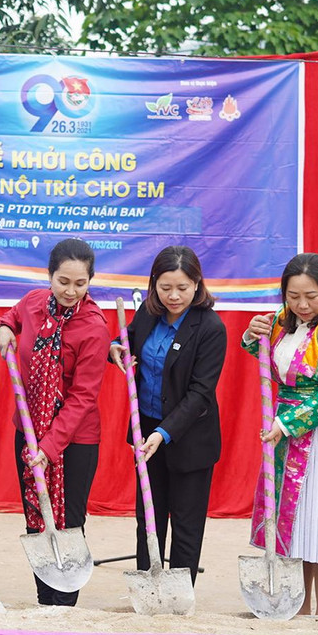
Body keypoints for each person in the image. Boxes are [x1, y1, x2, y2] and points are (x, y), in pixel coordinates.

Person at [242, 252, 318, 615]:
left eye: (311, 296)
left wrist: (284, 425)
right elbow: (269, 357)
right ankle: (298, 610)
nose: (302, 304)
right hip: (287, 432)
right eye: (293, 296)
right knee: (298, 529)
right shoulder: (285, 320)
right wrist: (254, 334)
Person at [0, 237, 108, 606]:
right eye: (63, 282)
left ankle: (65, 605)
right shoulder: (33, 303)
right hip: (28, 430)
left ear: (90, 281)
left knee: (68, 523)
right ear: (50, 276)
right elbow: (11, 316)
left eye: (80, 283)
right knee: (35, 517)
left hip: (75, 442)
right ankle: (45, 601)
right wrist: (3, 327)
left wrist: (48, 447)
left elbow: (83, 398)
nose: (71, 291)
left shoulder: (93, 327)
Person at [109, 245, 226, 584]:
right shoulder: (148, 313)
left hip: (188, 438)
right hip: (145, 431)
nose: (174, 296)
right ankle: (148, 584)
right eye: (165, 287)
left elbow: (200, 393)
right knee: (148, 515)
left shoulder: (210, 328)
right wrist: (114, 348)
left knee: (187, 523)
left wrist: (164, 433)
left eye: (183, 288)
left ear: (197, 284)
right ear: (154, 285)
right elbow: (127, 340)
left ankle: (179, 592)